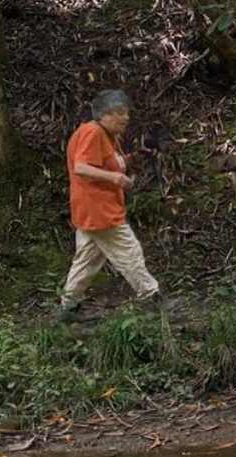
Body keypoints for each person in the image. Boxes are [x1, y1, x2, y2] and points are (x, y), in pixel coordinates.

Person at [58, 89, 164, 320]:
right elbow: (81, 167)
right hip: (99, 209)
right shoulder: (92, 132)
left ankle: (69, 307)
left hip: (92, 210)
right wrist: (114, 178)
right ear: (104, 115)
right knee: (129, 251)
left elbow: (110, 163)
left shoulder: (106, 135)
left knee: (87, 260)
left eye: (126, 113)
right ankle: (153, 298)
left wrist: (136, 156)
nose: (126, 118)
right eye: (119, 113)